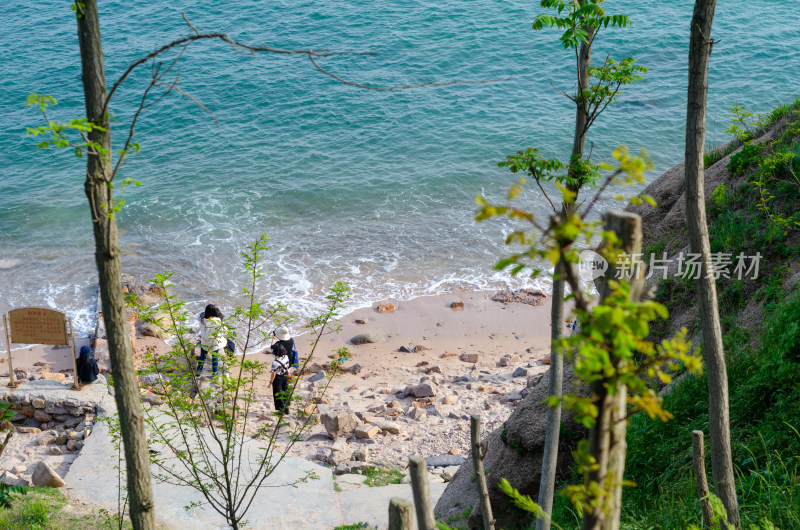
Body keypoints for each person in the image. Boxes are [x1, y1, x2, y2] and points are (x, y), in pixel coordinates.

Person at [196, 304, 226, 376]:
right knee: (215, 358)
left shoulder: (202, 321)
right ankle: (214, 373)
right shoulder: (218, 321)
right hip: (214, 343)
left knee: (202, 357)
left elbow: (198, 318)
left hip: (205, 342)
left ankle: (198, 373)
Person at [269, 341, 291, 416]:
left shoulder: (275, 363)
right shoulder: (286, 357)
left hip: (278, 378)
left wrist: (270, 382)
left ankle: (281, 411)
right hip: (285, 375)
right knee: (285, 391)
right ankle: (287, 409)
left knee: (278, 394)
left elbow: (273, 374)